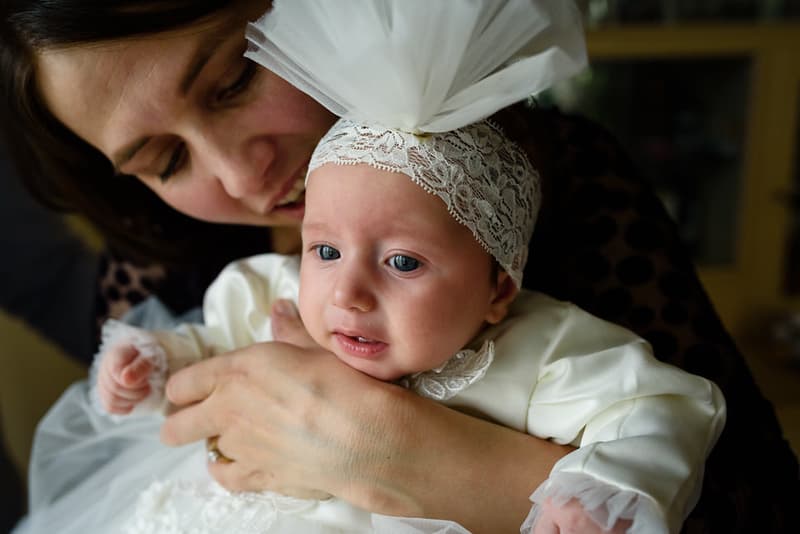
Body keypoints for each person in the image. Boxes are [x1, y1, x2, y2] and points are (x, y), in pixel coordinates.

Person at [1, 0, 798, 533]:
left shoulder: (548, 190)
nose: (243, 176)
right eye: (165, 160)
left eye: (234, 81)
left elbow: (748, 500)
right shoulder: (162, 256)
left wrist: (396, 452)